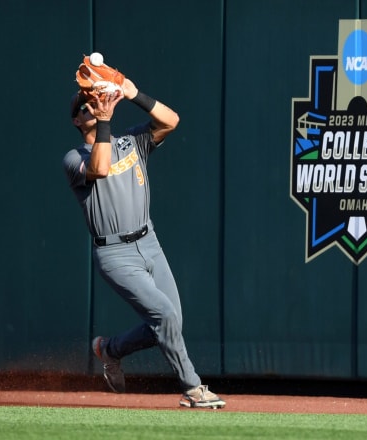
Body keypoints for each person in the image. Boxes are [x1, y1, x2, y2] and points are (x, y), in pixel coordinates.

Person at [62, 72, 225, 409]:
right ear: (76, 119)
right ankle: (193, 389)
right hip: (115, 254)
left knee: (169, 322)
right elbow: (101, 167)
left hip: (149, 241)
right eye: (84, 105)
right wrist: (105, 122)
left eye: (94, 101)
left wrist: (134, 93)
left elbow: (172, 120)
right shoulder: (74, 158)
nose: (91, 106)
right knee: (164, 317)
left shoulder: (131, 141)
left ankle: (109, 350)